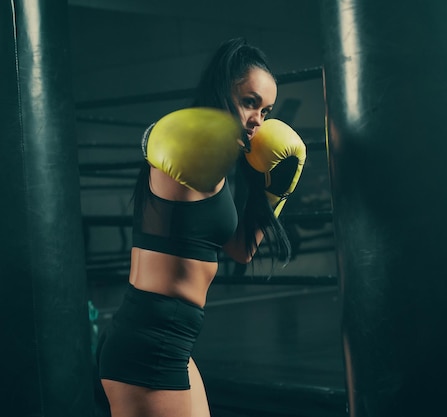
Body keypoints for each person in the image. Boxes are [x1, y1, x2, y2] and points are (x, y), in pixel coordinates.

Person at [96, 37, 307, 417]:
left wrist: (275, 192)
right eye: (249, 102)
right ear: (221, 91)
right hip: (150, 345)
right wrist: (152, 138)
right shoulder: (189, 151)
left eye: (266, 110)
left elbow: (240, 250)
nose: (259, 120)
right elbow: (165, 144)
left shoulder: (217, 172)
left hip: (174, 342)